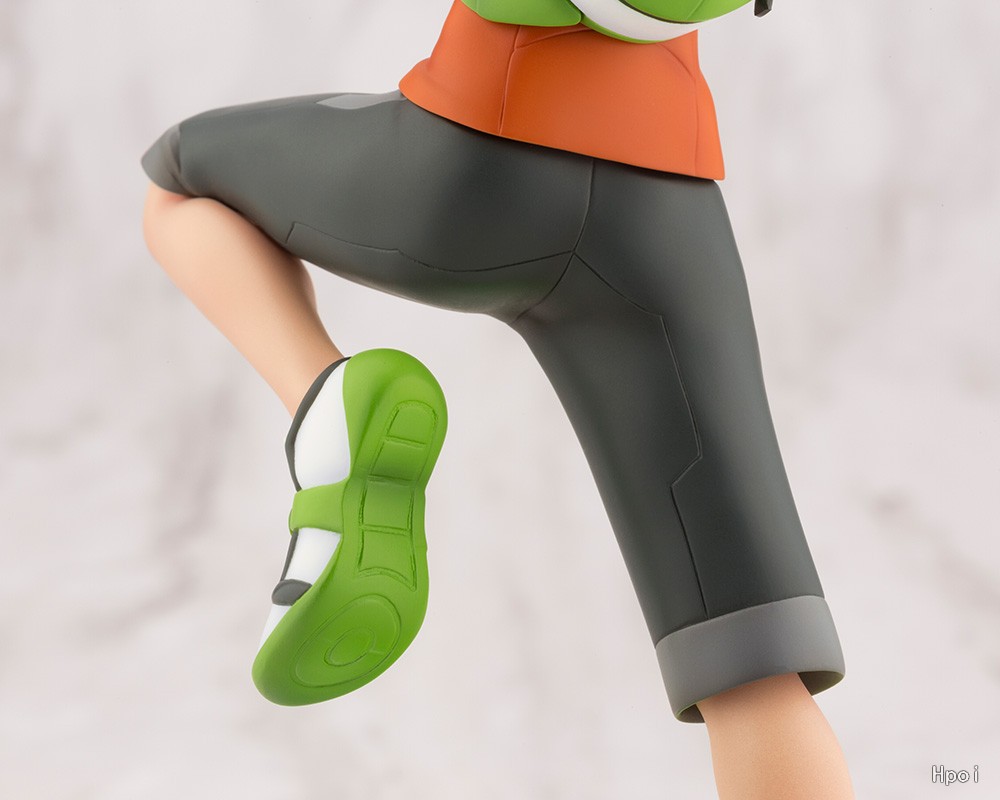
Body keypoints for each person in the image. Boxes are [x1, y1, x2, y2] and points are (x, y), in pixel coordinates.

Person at [141, 1, 854, 796]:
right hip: (664, 210)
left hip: (480, 161)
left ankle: (326, 400)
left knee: (181, 182)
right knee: (748, 648)